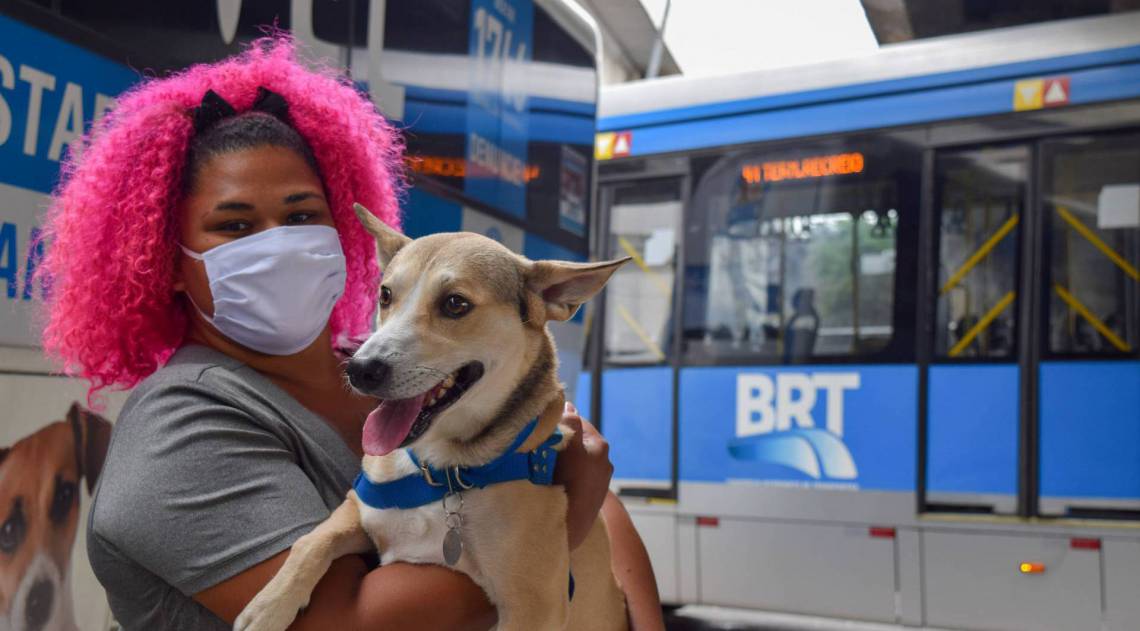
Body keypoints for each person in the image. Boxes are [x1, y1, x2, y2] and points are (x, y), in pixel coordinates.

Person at [39, 37, 663, 630]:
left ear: (341, 227)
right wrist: (567, 512)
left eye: (302, 215)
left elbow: (569, 457)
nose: (276, 243)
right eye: (233, 226)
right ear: (165, 260)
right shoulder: (180, 427)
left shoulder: (391, 368)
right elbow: (347, 623)